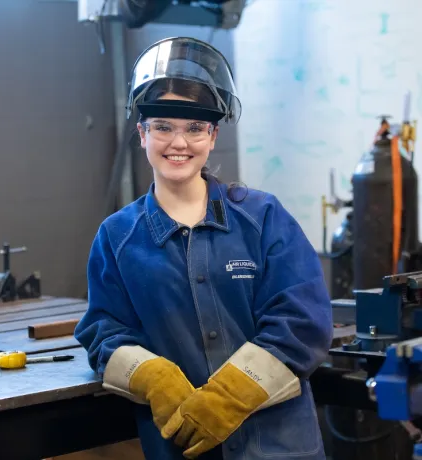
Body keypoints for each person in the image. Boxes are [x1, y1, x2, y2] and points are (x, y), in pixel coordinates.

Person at [74, 37, 333, 460]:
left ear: (212, 136)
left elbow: (302, 321)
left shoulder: (263, 218)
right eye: (163, 127)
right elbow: (103, 332)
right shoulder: (117, 237)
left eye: (194, 128)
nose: (179, 142)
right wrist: (151, 375)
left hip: (280, 448)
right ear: (142, 133)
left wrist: (231, 396)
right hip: (185, 448)